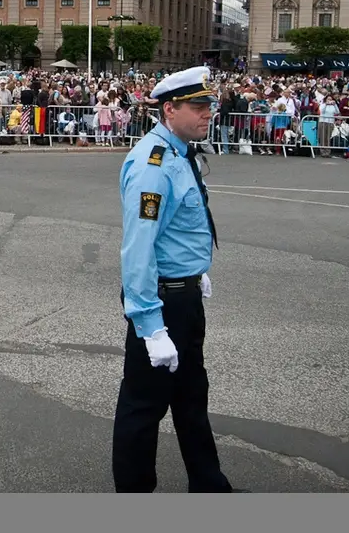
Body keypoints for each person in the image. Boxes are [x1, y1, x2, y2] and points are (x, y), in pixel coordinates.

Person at [112, 65, 236, 493]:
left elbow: (179, 229)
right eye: (199, 106)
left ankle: (209, 485)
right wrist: (149, 324)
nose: (209, 113)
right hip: (162, 303)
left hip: (183, 296)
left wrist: (193, 273)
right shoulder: (155, 165)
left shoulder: (181, 152)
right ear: (170, 109)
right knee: (142, 409)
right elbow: (139, 249)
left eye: (210, 105)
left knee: (190, 399)